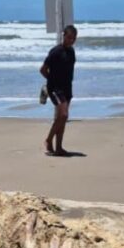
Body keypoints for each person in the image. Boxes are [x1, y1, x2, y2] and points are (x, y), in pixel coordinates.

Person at [40, 24, 77, 156]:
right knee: (63, 115)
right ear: (64, 36)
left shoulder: (72, 52)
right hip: (55, 88)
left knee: (62, 118)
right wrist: (51, 81)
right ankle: (48, 140)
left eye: (73, 38)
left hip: (67, 89)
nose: (71, 40)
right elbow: (42, 70)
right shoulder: (55, 52)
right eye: (69, 38)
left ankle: (59, 147)